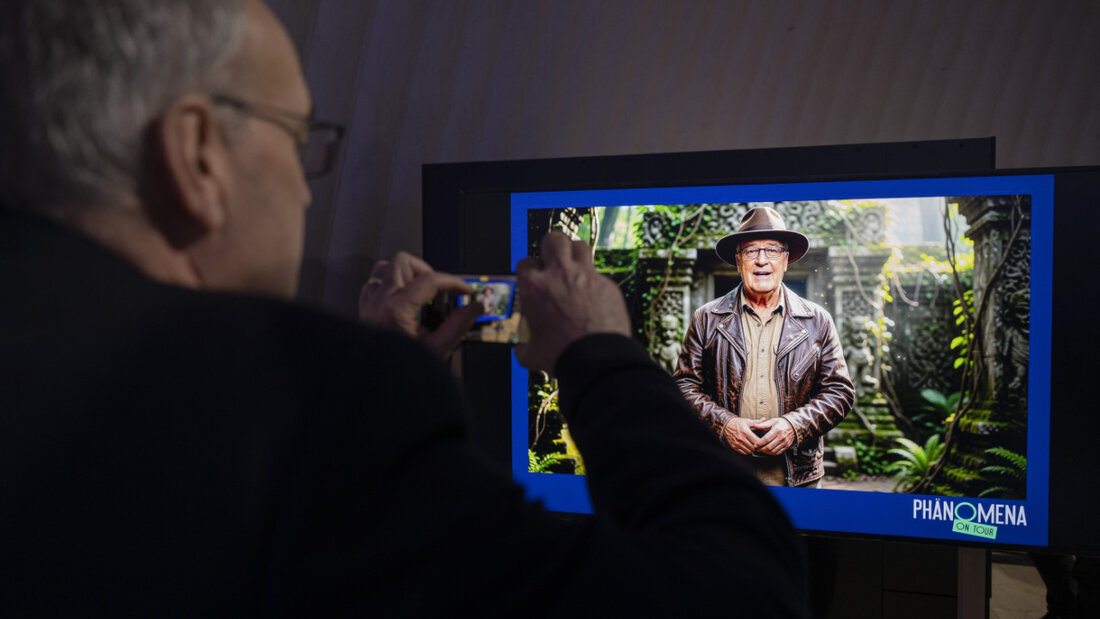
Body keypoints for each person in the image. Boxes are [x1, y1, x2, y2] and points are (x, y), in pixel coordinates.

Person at [0, 1, 809, 616]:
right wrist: (598, 349)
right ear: (197, 154)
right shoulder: (296, 409)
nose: (305, 181)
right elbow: (741, 591)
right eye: (296, 137)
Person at [675, 207, 856, 487]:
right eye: (750, 251)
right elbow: (684, 387)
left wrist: (795, 426)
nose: (761, 260)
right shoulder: (706, 319)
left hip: (797, 477)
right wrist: (725, 425)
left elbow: (840, 392)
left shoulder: (817, 320)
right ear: (738, 261)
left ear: (786, 260)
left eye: (772, 250)